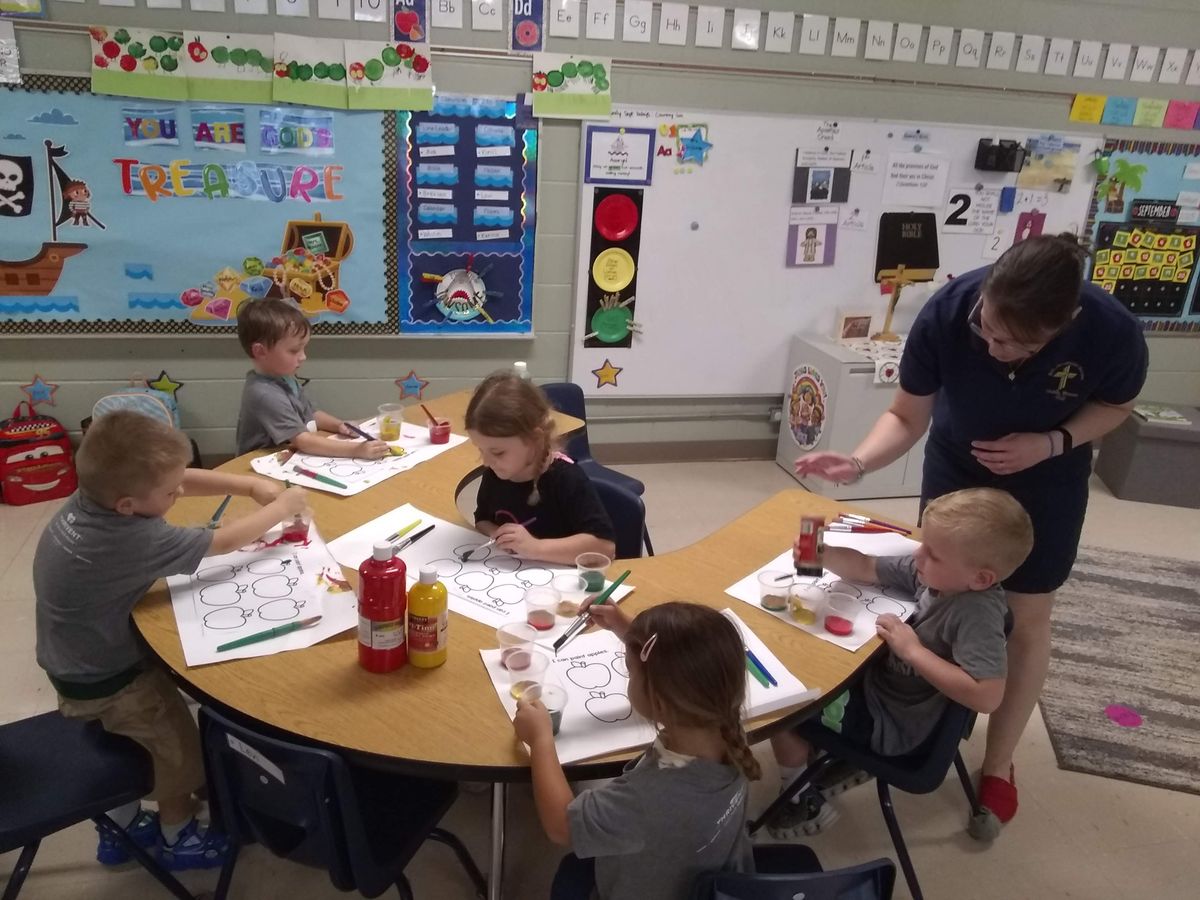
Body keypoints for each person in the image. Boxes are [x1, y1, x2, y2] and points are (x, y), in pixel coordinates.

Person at [794, 234, 1149, 831]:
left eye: (1011, 342)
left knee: (1027, 623)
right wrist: (856, 463)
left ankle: (1000, 762)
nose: (992, 344)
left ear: (1066, 323)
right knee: (940, 592)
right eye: (986, 327)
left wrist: (1052, 442)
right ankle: (920, 721)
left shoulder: (1112, 331)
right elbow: (908, 414)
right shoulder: (949, 309)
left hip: (1047, 481)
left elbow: (1116, 405)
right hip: (959, 470)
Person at [34, 411, 308, 870]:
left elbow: (173, 478)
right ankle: (179, 837)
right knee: (171, 751)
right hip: (116, 680)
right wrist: (282, 507)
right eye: (169, 493)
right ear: (126, 504)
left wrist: (243, 485)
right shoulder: (134, 537)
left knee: (115, 744)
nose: (179, 492)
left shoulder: (89, 500)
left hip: (72, 665)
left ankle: (119, 828)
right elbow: (222, 542)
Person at [765, 488, 1032, 839]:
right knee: (809, 663)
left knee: (783, 709)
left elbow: (987, 696)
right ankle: (829, 755)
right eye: (924, 545)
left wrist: (913, 651)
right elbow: (865, 566)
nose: (918, 555)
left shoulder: (975, 614)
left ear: (980, 578)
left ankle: (800, 800)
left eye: (933, 554)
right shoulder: (936, 576)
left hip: (891, 723)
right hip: (880, 688)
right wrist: (817, 551)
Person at [514, 602, 758, 900]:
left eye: (630, 672)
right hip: (712, 875)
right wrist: (626, 630)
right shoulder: (726, 723)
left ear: (660, 703)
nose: (629, 676)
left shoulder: (650, 798)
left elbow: (561, 826)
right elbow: (686, 664)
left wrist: (540, 740)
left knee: (570, 875)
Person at [466, 372, 616, 565]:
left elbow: (605, 547)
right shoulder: (495, 473)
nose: (486, 461)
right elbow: (482, 519)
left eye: (498, 452)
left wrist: (535, 548)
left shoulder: (566, 479)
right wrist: (497, 534)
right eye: (481, 449)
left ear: (534, 439)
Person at [235, 298, 389, 458]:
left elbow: (310, 414)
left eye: (303, 348)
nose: (303, 357)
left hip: (288, 456)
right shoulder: (264, 393)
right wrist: (356, 451)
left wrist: (339, 425)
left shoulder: (285, 377)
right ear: (260, 352)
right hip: (260, 465)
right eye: (294, 351)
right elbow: (303, 441)